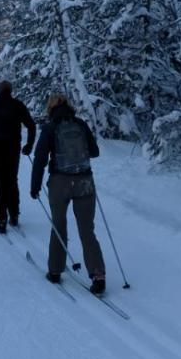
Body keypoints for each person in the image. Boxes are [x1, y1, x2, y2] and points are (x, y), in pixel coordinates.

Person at [30, 93, 107, 295]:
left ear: (50, 108)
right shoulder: (80, 124)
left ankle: (55, 271)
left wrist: (35, 185)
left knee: (59, 225)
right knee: (87, 230)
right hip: (84, 181)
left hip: (59, 182)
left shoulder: (49, 128)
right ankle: (98, 275)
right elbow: (95, 152)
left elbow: (39, 159)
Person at [0, 80, 36, 234]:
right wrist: (29, 145)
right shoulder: (18, 105)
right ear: (10, 90)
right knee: (11, 180)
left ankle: (1, 219)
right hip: (13, 149)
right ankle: (14, 215)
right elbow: (31, 125)